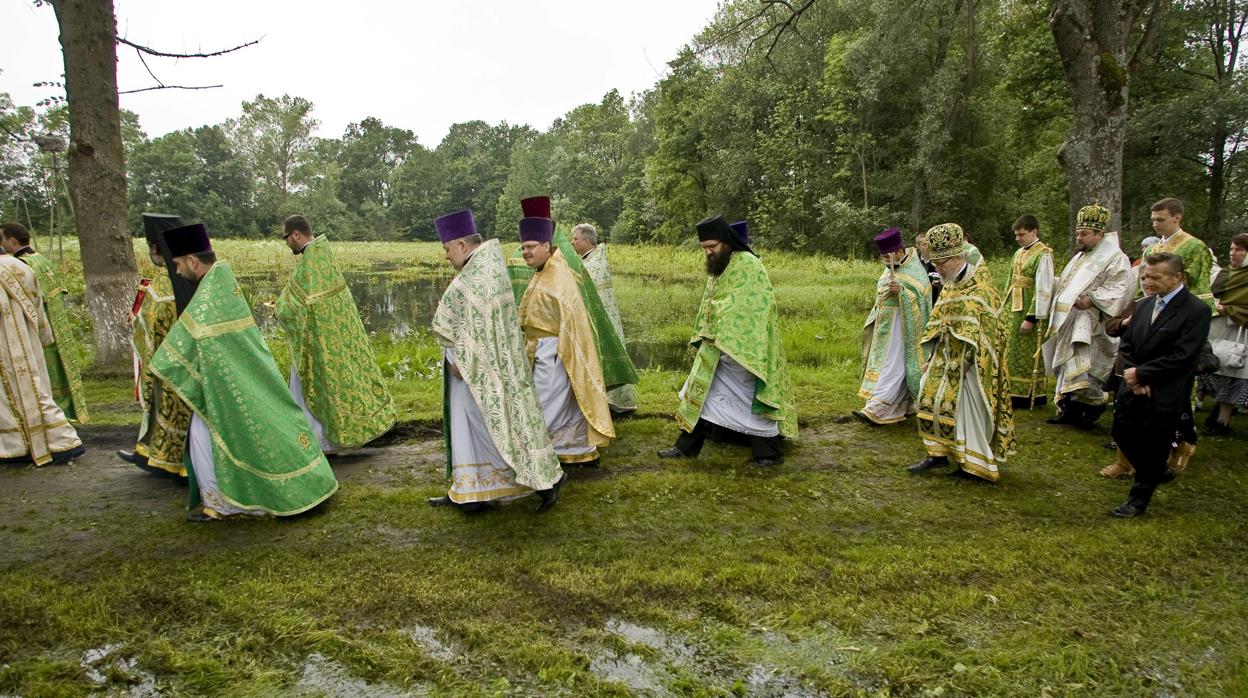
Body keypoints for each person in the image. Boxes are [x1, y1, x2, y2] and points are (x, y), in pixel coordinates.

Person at [148, 222, 338, 522]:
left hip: (226, 382)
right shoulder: (220, 281)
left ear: (193, 261)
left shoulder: (212, 292)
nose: (177, 271)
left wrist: (159, 362)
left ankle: (223, 504)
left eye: (178, 264)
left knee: (203, 435)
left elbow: (185, 340)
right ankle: (223, 500)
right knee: (214, 433)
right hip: (228, 377)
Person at [427, 210, 565, 512]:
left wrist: (463, 361)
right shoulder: (482, 267)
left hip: (476, 371)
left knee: (497, 427)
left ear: (463, 246)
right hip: (476, 370)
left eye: (447, 249)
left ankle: (547, 483)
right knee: (475, 428)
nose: (446, 256)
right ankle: (468, 492)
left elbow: (479, 329)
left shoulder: (480, 275)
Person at [658, 215, 797, 466]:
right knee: (701, 393)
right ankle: (686, 447)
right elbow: (711, 304)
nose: (708, 252)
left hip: (743, 351)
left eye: (712, 246)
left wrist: (726, 337)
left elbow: (755, 307)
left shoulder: (748, 264)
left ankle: (769, 453)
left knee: (751, 399)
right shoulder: (720, 265)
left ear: (727, 241)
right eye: (704, 248)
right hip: (717, 347)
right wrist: (704, 333)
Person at [275, 215, 395, 453]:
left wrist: (279, 309)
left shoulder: (310, 263)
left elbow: (289, 309)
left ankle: (316, 443)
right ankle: (331, 440)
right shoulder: (323, 255)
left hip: (316, 345)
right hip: (333, 339)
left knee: (309, 391)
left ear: (296, 234)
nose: (286, 244)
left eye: (286, 238)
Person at [908, 223, 1015, 481]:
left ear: (957, 257)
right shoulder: (950, 284)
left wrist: (970, 360)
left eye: (941, 262)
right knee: (926, 397)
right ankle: (937, 453)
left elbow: (989, 333)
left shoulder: (982, 289)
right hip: (943, 358)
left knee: (965, 411)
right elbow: (938, 320)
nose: (936, 267)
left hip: (971, 365)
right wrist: (932, 355)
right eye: (933, 262)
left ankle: (974, 464)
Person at [1108, 253, 1211, 517]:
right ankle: (1156, 471)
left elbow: (1183, 355)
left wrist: (1144, 375)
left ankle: (1137, 500)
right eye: (1144, 276)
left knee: (1155, 442)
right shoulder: (1143, 306)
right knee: (1121, 431)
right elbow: (1128, 344)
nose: (1147, 282)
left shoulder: (1196, 311)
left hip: (1166, 388)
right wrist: (1134, 375)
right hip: (1133, 386)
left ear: (1177, 278)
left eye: (1155, 277)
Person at [517, 215, 615, 466]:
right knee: (560, 408)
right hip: (540, 350)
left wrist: (561, 355)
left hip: (553, 354)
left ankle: (536, 460)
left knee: (544, 408)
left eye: (530, 247)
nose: (525, 252)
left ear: (546, 246)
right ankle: (577, 452)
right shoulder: (543, 270)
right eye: (523, 247)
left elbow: (571, 323)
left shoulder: (558, 276)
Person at [117, 213, 195, 477]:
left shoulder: (164, 280)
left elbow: (152, 323)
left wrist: (135, 321)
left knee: (166, 409)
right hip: (188, 359)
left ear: (154, 247)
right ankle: (151, 454)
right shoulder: (193, 274)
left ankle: (169, 461)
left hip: (169, 360)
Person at [1041, 204, 1132, 427]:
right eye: (1077, 233)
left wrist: (1092, 299)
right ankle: (1068, 409)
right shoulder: (1081, 257)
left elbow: (1122, 288)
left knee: (1086, 370)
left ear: (1100, 234)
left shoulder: (1116, 258)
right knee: (1067, 368)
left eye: (1084, 234)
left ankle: (1090, 409)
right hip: (1070, 320)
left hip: (1092, 323)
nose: (1079, 238)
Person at [0, 250, 85, 466]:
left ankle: (63, 441)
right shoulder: (22, 266)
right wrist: (43, 335)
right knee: (32, 388)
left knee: (23, 392)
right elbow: (38, 305)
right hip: (29, 338)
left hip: (7, 340)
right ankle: (19, 445)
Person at [0, 223, 88, 422]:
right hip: (58, 325)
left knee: (43, 376)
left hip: (37, 328)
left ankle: (52, 419)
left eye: (4, 240)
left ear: (12, 240)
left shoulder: (21, 265)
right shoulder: (42, 260)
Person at [854, 228, 932, 425]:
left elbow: (923, 298)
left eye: (887, 256)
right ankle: (903, 406)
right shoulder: (890, 266)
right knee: (888, 364)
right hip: (885, 326)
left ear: (899, 251)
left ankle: (878, 407)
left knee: (893, 365)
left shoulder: (915, 269)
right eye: (882, 257)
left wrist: (902, 292)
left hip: (903, 328)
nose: (885, 261)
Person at [571, 222, 637, 414]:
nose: (572, 242)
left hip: (602, 320)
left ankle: (616, 404)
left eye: (575, 239)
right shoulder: (589, 260)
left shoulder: (595, 263)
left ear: (586, 240)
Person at [1003, 215, 1056, 408]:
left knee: (1028, 352)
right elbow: (1010, 282)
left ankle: (1030, 394)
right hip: (1014, 309)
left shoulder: (1044, 254)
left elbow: (1043, 288)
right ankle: (1013, 391)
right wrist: (1003, 306)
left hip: (1029, 309)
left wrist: (1031, 317)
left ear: (1034, 232)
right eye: (1016, 235)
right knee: (1012, 351)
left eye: (1022, 234)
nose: (1018, 238)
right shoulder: (1018, 253)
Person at [1198, 233, 1248, 435]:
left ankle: (1222, 420)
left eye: (1239, 250)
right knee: (1210, 369)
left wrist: (1230, 309)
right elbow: (1209, 292)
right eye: (1231, 249)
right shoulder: (1225, 273)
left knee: (1231, 374)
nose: (1233, 253)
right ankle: (1211, 410)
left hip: (1239, 332)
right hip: (1216, 327)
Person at [1143, 198, 1215, 311]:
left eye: (1160, 220)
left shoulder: (1195, 246)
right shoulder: (1150, 250)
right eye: (1153, 220)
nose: (1155, 224)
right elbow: (1141, 285)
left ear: (1177, 218)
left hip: (1183, 310)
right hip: (1151, 308)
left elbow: (1199, 283)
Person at [914, 230, 943, 303]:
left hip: (934, 300)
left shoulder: (939, 261)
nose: (928, 247)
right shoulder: (914, 262)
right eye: (924, 244)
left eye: (929, 243)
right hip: (918, 301)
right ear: (918, 246)